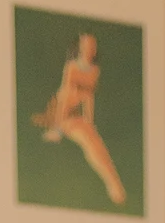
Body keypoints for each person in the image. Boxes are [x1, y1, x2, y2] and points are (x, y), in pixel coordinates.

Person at [32, 33, 128, 206]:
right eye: (86, 45)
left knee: (94, 140)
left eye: (92, 46)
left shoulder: (94, 71)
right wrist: (58, 128)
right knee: (88, 141)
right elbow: (64, 96)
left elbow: (88, 97)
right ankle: (112, 184)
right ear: (80, 48)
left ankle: (114, 182)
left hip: (77, 115)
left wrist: (89, 120)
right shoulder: (71, 68)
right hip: (61, 114)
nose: (89, 49)